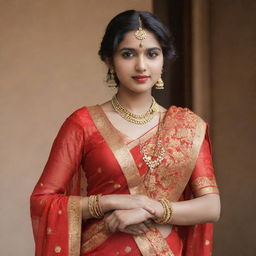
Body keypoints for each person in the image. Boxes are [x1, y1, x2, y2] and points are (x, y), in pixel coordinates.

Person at [30, 10, 220, 256]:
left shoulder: (188, 126)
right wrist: (112, 203)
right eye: (128, 54)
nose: (141, 65)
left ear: (163, 59)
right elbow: (43, 201)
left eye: (152, 54)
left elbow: (211, 206)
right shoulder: (83, 124)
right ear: (110, 60)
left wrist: (150, 208)